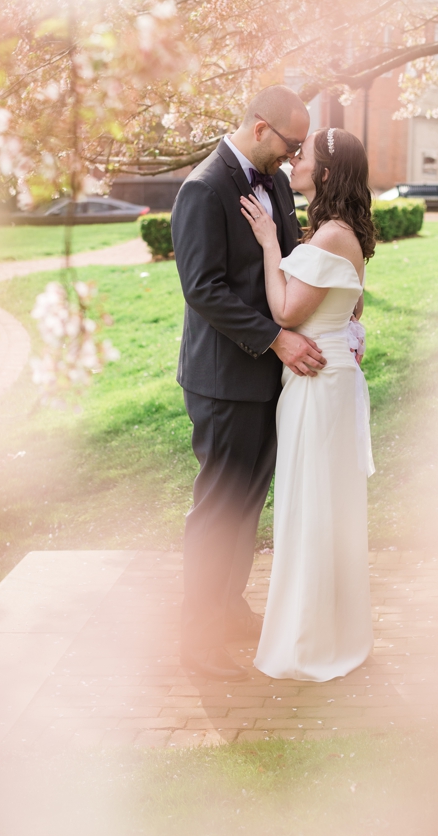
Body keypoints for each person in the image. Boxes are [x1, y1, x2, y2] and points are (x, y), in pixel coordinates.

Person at [172, 86, 327, 682]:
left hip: (268, 379)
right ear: (261, 128)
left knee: (247, 504)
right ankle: (197, 636)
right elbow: (203, 287)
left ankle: (228, 607)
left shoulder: (278, 185)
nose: (294, 159)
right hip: (223, 378)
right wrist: (274, 339)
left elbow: (287, 261)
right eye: (290, 145)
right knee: (218, 509)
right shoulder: (203, 188)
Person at [241, 125, 377, 681]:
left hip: (318, 388)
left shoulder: (330, 236)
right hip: (330, 381)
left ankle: (312, 641)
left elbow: (285, 313)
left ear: (323, 173)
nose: (293, 162)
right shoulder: (340, 232)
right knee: (321, 505)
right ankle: (328, 628)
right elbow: (354, 311)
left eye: (304, 157)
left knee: (313, 507)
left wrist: (272, 243)